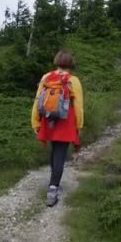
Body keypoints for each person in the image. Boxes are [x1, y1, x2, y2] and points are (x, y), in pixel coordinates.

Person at [31, 50, 84, 206]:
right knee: (60, 153)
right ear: (71, 63)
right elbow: (78, 106)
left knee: (54, 151)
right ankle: (53, 189)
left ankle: (53, 182)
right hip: (65, 121)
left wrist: (35, 121)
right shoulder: (73, 80)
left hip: (48, 119)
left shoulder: (46, 77)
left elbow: (37, 101)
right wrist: (79, 125)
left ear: (56, 61)